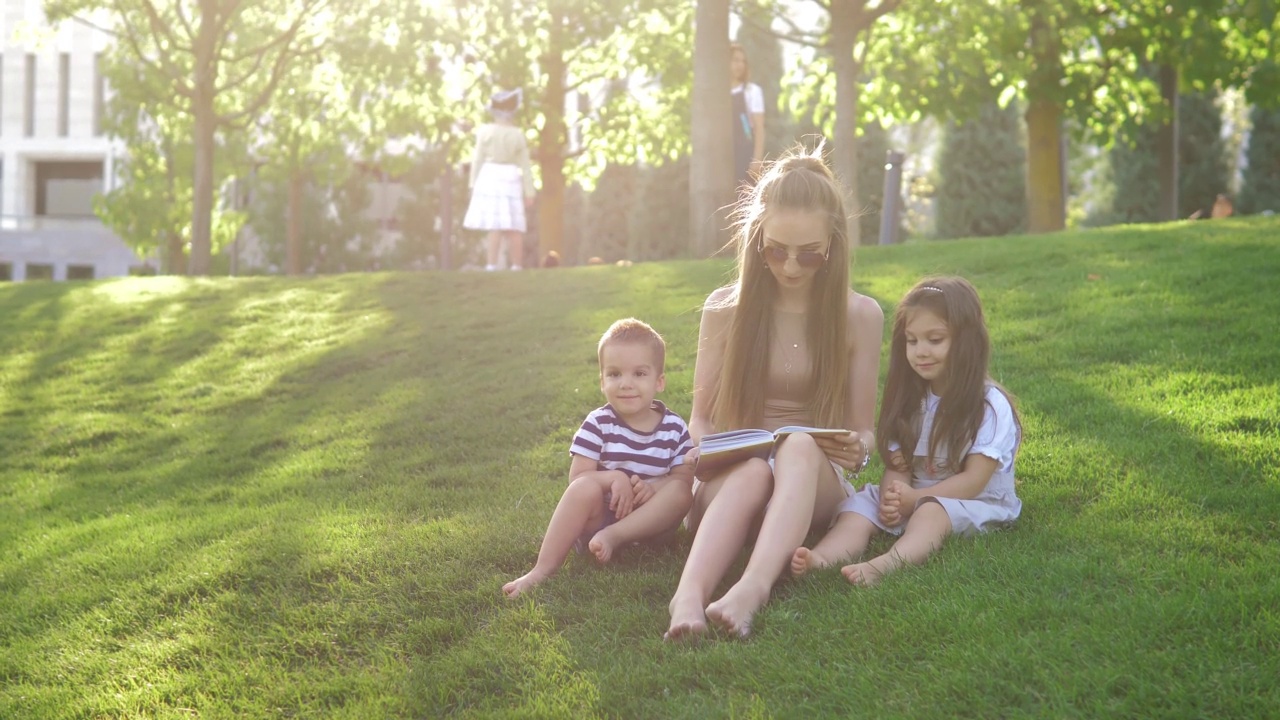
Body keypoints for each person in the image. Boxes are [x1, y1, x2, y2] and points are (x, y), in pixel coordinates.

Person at [664, 147, 884, 639]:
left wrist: (857, 446)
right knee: (749, 473)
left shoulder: (860, 316)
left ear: (834, 247)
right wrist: (701, 446)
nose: (789, 266)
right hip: (733, 476)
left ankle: (751, 590)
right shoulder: (725, 308)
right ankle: (689, 597)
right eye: (775, 249)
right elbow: (699, 419)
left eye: (809, 253)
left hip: (810, 483)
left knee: (800, 443)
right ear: (756, 238)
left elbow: (864, 431)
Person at [791, 276, 1023, 586]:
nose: (920, 351)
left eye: (935, 339)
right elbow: (897, 463)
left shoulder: (989, 406)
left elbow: (974, 481)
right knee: (860, 505)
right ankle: (823, 557)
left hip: (975, 501)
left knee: (931, 513)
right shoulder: (912, 399)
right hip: (914, 493)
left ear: (967, 341)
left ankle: (886, 565)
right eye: (912, 341)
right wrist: (893, 497)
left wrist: (916, 499)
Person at [504, 318, 695, 598]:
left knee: (680, 492)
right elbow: (578, 479)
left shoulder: (674, 428)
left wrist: (655, 487)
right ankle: (542, 569)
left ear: (660, 381)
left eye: (639, 374)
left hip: (651, 526)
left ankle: (617, 537)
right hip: (600, 520)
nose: (626, 384)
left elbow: (683, 479)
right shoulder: (598, 423)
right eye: (615, 374)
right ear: (602, 381)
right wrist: (613, 478)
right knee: (584, 488)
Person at [463, 88, 535, 271]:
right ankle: (517, 266)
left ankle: (491, 265)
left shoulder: (485, 132)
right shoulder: (517, 134)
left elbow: (477, 159)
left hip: (491, 176)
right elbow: (525, 165)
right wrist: (529, 191)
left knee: (494, 225)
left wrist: (472, 183)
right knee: (513, 226)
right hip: (510, 176)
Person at [730, 43, 766, 193]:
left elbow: (758, 128)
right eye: (735, 60)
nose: (740, 65)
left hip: (745, 154)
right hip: (724, 156)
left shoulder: (752, 91)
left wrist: (757, 160)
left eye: (743, 61)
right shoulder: (717, 94)